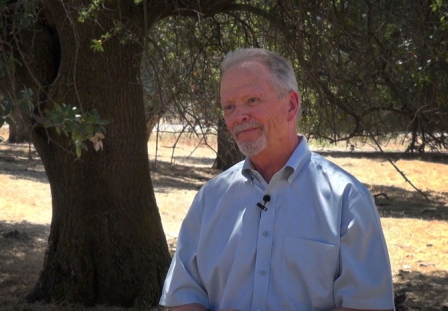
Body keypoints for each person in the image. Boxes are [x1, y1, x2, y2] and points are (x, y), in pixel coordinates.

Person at [159, 48, 394, 311]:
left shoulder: (347, 200)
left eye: (252, 100)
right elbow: (183, 296)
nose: (239, 116)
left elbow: (367, 304)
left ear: (291, 105)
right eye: (229, 107)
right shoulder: (210, 198)